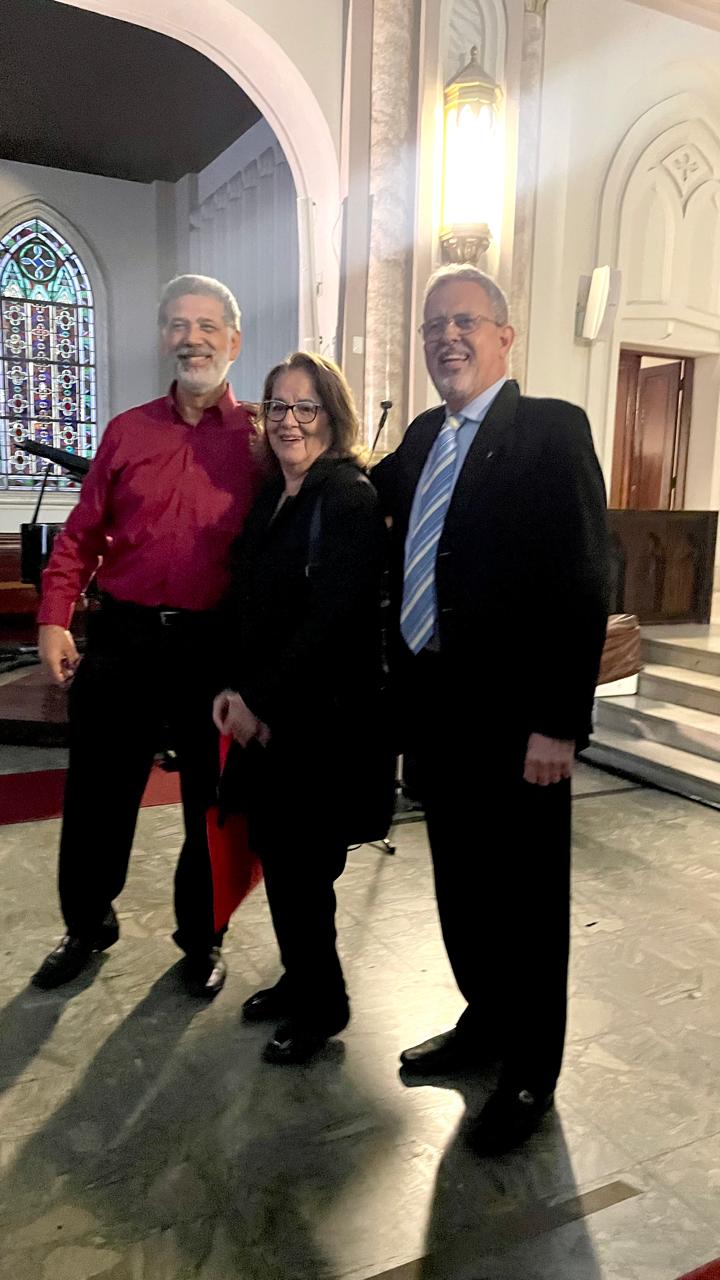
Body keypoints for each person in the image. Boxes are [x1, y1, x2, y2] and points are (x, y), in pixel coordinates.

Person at [373, 264, 609, 1153]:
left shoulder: (551, 430)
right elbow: (360, 497)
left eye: (465, 320)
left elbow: (585, 580)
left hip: (521, 727)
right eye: (434, 324)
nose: (447, 336)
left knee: (528, 904)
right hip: (439, 716)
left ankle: (531, 1072)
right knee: (462, 889)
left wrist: (560, 721)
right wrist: (286, 431)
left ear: (505, 336)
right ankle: (485, 1024)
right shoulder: (423, 436)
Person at [32, 274, 258, 997]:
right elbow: (81, 533)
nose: (192, 339)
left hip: (213, 647)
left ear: (234, 340)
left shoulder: (259, 440)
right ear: (164, 337)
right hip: (123, 638)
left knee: (213, 804)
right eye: (178, 325)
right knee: (96, 796)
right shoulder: (128, 430)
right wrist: (54, 616)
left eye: (207, 326)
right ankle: (86, 922)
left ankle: (203, 936)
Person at [213, 351, 386, 1064]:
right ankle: (299, 979)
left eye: (305, 407)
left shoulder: (347, 497)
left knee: (305, 873)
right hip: (270, 722)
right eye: (278, 406)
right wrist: (233, 690)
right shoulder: (273, 496)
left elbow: (330, 621)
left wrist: (256, 699)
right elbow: (249, 606)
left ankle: (323, 1007)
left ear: (332, 416)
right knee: (282, 862)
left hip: (321, 726)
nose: (289, 421)